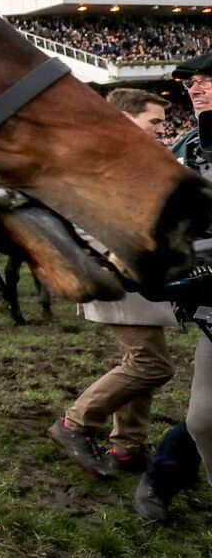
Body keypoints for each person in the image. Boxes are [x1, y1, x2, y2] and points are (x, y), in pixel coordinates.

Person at [47, 88, 176, 478]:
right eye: (154, 122)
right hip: (119, 274)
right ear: (124, 118)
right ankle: (75, 424)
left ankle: (127, 449)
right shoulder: (94, 158)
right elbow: (84, 224)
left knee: (141, 361)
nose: (160, 130)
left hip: (140, 273)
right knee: (151, 364)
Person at [134, 53, 212, 522]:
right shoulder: (186, 147)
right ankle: (163, 476)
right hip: (211, 309)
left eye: (208, 81)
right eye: (193, 84)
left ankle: (162, 475)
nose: (196, 89)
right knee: (205, 418)